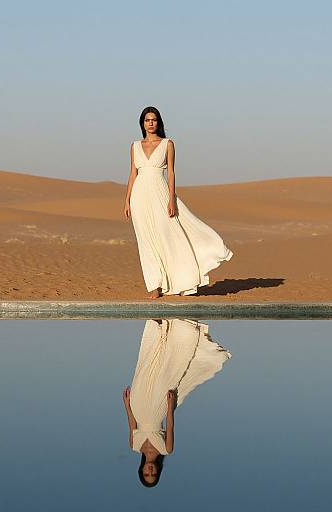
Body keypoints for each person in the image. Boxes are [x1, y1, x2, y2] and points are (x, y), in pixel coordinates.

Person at [123, 106, 234, 299]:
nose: (150, 123)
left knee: (171, 235)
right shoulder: (134, 146)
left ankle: (186, 281)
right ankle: (154, 286)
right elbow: (133, 174)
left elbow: (172, 173)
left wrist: (171, 199)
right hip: (139, 197)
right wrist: (127, 201)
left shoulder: (168, 144)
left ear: (159, 122)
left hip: (160, 192)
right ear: (142, 123)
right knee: (146, 241)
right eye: (147, 120)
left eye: (154, 119)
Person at [122, 318, 232, 487]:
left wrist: (127, 404)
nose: (150, 471)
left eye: (146, 473)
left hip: (138, 405)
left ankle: (156, 326)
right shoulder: (167, 449)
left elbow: (132, 424)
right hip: (158, 410)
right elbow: (171, 426)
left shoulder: (134, 446)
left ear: (141, 469)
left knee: (144, 367)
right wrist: (170, 406)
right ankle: (174, 330)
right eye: (153, 474)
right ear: (158, 471)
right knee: (164, 371)